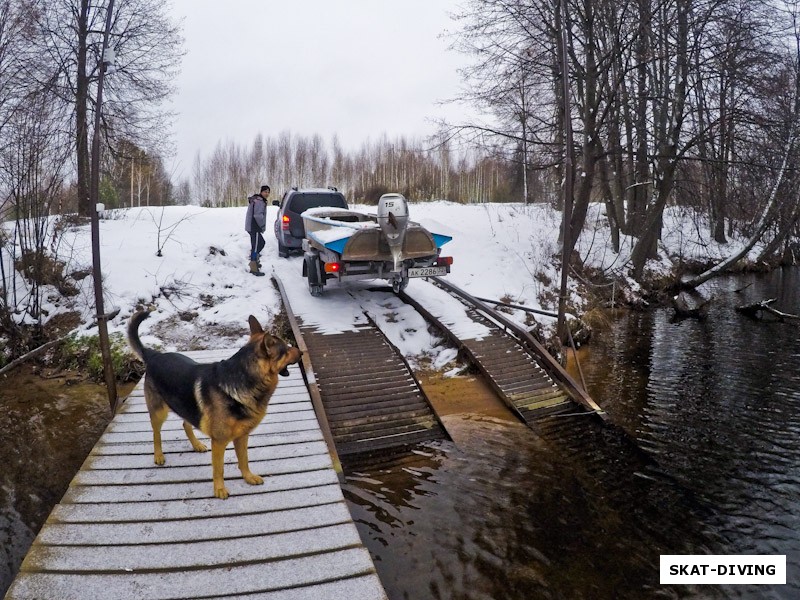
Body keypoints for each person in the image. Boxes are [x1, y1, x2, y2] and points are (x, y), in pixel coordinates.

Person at [245, 185, 270, 276]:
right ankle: (254, 268)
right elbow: (258, 215)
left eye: (268, 192)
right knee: (256, 247)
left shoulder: (259, 200)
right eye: (265, 192)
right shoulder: (259, 201)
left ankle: (254, 260)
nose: (267, 194)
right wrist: (262, 226)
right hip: (254, 227)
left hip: (254, 227)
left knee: (260, 243)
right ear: (261, 192)